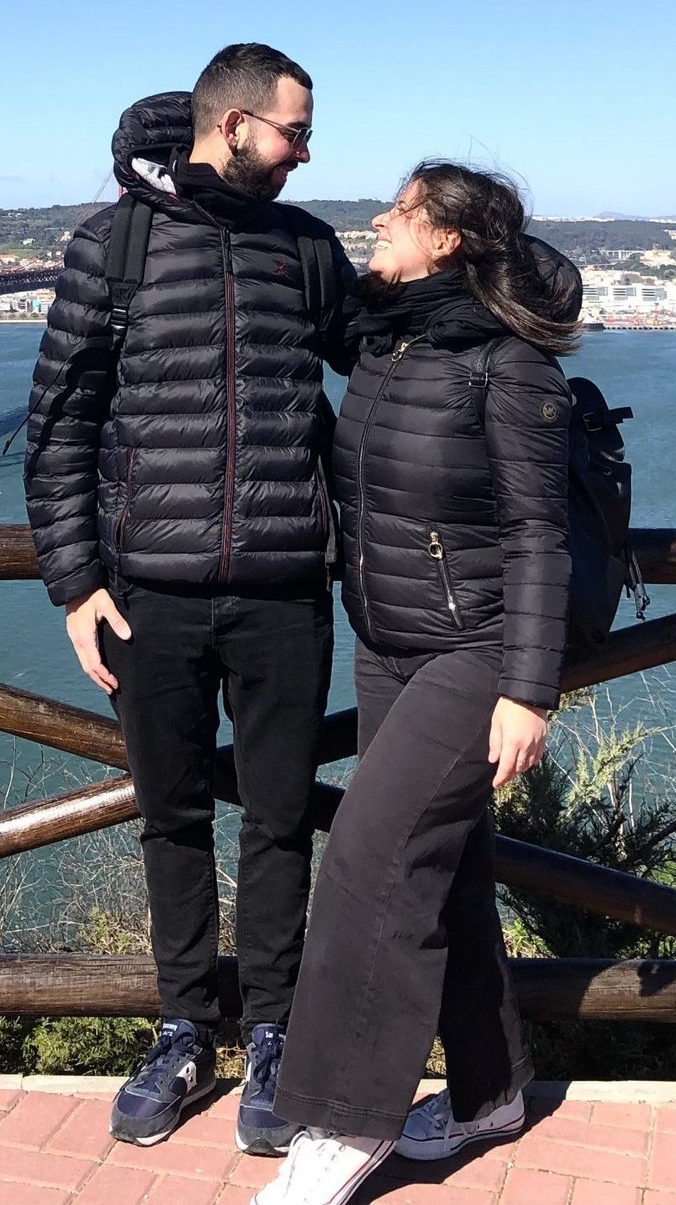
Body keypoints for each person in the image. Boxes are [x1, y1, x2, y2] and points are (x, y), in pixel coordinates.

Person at [24, 44, 355, 1154]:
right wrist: (75, 583)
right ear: (235, 125)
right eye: (295, 133)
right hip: (147, 599)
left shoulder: (306, 250)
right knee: (169, 818)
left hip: (284, 591)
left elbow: (383, 363)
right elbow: (59, 426)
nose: (305, 154)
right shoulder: (112, 246)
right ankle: (182, 1029)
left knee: (279, 821)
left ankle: (272, 1034)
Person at [254, 161, 582, 1205]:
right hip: (388, 642)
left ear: (447, 239)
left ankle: (344, 1122)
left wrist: (528, 690)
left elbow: (538, 536)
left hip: (473, 653)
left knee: (369, 858)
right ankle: (491, 1091)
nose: (378, 223)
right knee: (446, 869)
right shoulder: (386, 337)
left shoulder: (509, 368)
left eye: (399, 212)